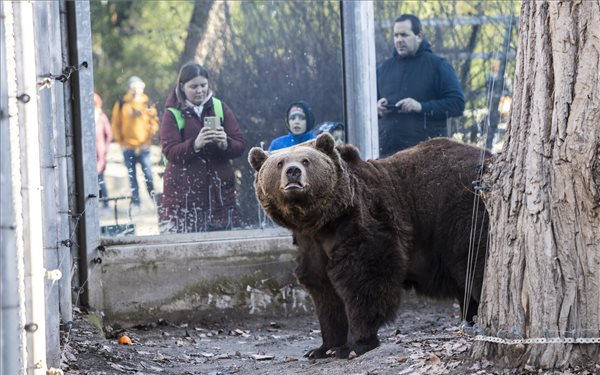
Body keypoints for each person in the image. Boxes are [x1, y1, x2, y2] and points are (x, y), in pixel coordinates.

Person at [159, 63, 245, 233]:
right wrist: (195, 145)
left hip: (221, 195)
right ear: (182, 87)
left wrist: (225, 143)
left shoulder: (219, 107)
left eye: (203, 85)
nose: (199, 90)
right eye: (193, 86)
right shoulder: (172, 113)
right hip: (184, 196)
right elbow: (170, 151)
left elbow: (240, 145)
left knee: (224, 245)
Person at [376, 14, 465, 157]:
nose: (399, 40)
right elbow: (367, 109)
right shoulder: (383, 69)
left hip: (426, 159)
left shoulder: (438, 66)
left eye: (404, 35)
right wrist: (377, 109)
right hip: (388, 157)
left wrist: (421, 107)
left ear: (419, 36)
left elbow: (457, 104)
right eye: (396, 35)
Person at [111, 76, 159, 210]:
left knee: (148, 175)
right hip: (128, 146)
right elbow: (116, 124)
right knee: (132, 176)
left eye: (139, 87)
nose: (137, 90)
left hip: (144, 146)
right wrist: (121, 142)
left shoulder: (148, 103)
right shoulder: (122, 103)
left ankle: (155, 201)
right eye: (134, 87)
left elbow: (154, 122)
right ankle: (136, 203)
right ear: (130, 88)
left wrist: (149, 139)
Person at [94, 92, 112, 214]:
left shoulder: (101, 117)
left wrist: (104, 149)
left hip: (99, 153)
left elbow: (108, 134)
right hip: (89, 153)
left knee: (100, 179)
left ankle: (106, 204)